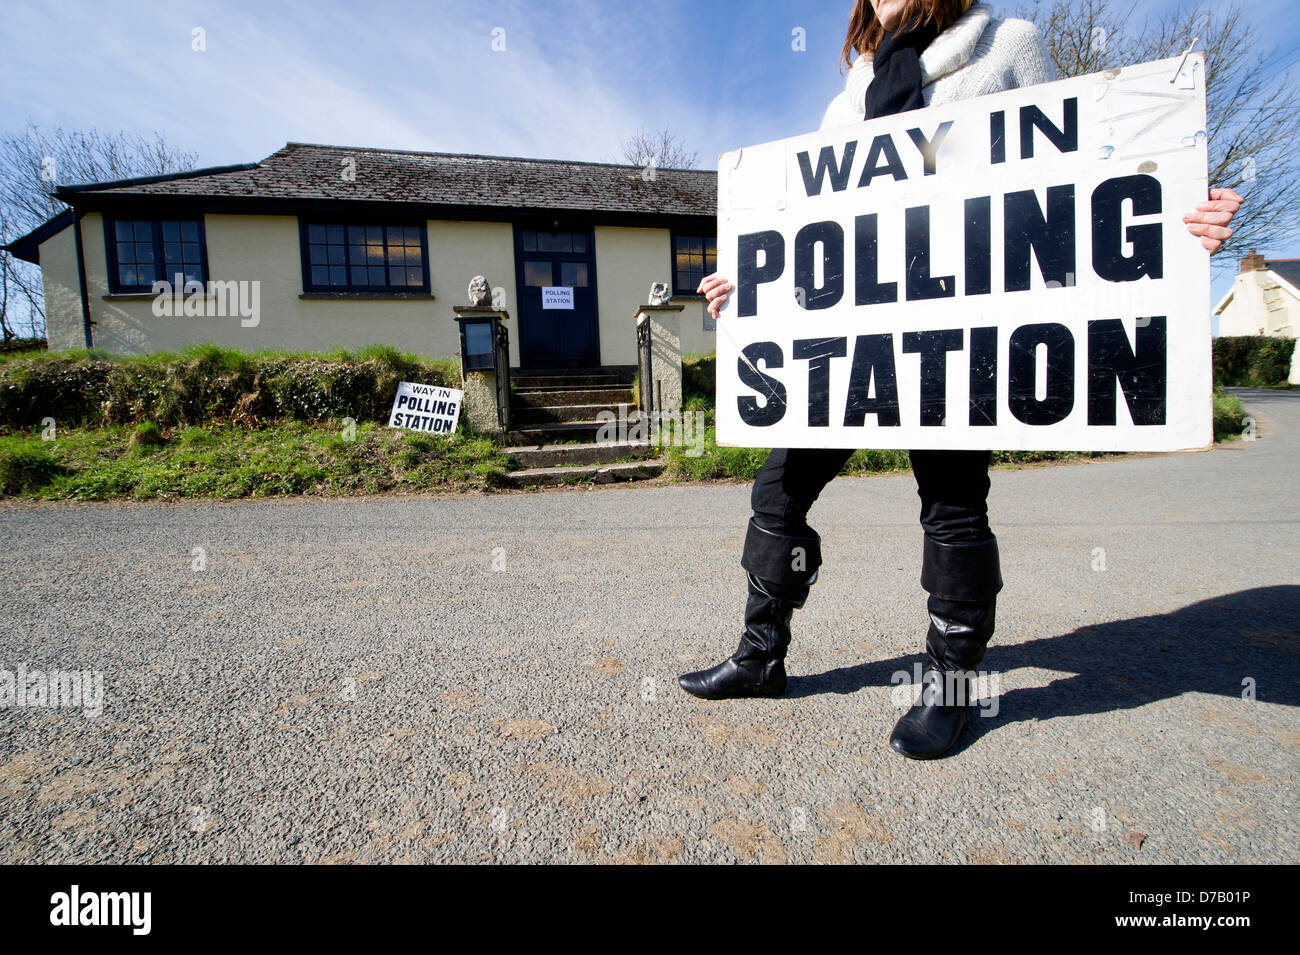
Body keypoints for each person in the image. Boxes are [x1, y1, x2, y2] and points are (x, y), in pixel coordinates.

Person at [677, 0, 1244, 760]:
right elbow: (803, 223)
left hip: (952, 337)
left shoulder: (1008, 46)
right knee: (777, 492)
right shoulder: (849, 98)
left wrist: (1181, 214)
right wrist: (746, 286)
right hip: (848, 345)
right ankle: (760, 655)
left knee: (951, 507)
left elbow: (1084, 173)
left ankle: (948, 686)